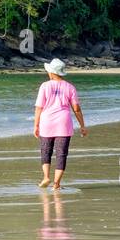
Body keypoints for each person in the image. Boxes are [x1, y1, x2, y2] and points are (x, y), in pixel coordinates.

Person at [32, 58, 86, 190]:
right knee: (61, 154)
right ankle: (56, 184)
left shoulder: (44, 86)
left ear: (51, 72)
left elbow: (39, 107)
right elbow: (76, 109)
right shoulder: (70, 87)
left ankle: (46, 177)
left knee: (46, 151)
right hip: (63, 122)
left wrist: (36, 125)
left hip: (47, 122)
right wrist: (82, 126)